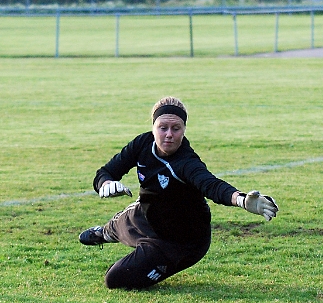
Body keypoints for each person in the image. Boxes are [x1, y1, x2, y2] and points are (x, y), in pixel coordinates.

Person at [79, 96, 278, 289]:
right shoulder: (142, 144)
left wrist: (241, 200)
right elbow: (105, 172)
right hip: (146, 216)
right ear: (153, 127)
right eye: (163, 127)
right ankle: (105, 233)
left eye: (176, 128)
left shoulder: (186, 162)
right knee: (128, 219)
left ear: (184, 130)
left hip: (181, 241)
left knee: (115, 278)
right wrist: (106, 184)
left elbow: (212, 185)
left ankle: (148, 257)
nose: (169, 134)